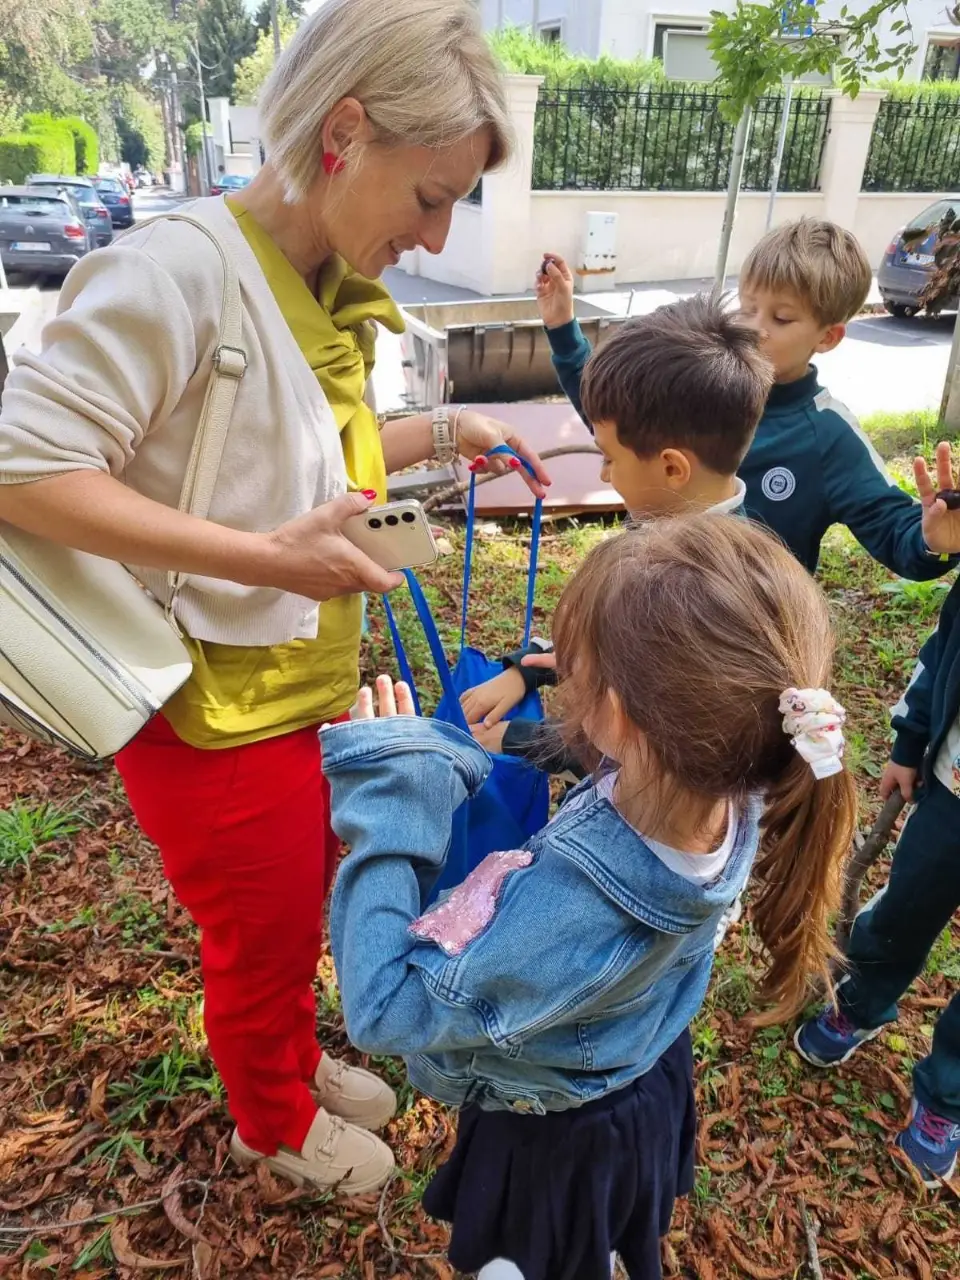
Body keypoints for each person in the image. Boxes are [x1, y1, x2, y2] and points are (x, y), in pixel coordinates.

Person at [0, 0, 548, 1196]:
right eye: (431, 195)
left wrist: (444, 431)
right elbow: (22, 466)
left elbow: (292, 464)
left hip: (285, 686)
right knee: (261, 932)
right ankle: (275, 1121)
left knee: (295, 912)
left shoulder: (310, 274)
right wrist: (267, 561)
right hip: (206, 707)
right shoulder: (177, 272)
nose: (437, 233)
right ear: (343, 132)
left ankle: (290, 1061)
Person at [321, 514, 857, 1280]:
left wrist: (390, 800)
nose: (559, 675)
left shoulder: (575, 903)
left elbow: (384, 1010)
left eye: (571, 666)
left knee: (529, 1260)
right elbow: (621, 751)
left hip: (555, 1140)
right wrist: (522, 700)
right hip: (639, 1078)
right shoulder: (737, 776)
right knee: (597, 1237)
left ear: (621, 717)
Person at [535, 223, 959, 579]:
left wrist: (932, 539)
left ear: (827, 337)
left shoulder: (828, 435)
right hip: (649, 592)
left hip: (745, 631)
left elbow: (893, 527)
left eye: (781, 318)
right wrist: (563, 329)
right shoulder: (703, 381)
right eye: (748, 307)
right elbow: (619, 422)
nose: (754, 328)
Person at [459, 292, 773, 761]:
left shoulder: (703, 595)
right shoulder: (668, 527)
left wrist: (522, 740)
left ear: (672, 468)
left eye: (609, 459)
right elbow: (604, 637)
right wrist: (527, 668)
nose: (605, 475)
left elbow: (646, 749)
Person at [796, 444, 960, 1188]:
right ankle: (861, 1002)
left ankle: (946, 1095)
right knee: (903, 909)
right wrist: (909, 741)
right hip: (951, 794)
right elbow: (943, 654)